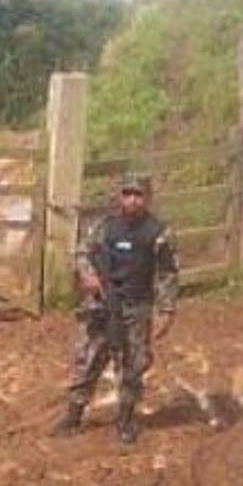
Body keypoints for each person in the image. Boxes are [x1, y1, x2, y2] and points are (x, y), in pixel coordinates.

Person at [51, 172, 179, 444]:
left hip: (137, 307)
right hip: (102, 304)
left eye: (138, 195)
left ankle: (125, 419)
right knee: (88, 359)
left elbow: (168, 272)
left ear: (148, 198)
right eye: (127, 193)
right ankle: (74, 414)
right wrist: (88, 276)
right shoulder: (105, 227)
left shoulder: (159, 233)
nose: (132, 200)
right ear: (120, 196)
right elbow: (82, 252)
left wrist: (166, 311)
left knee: (133, 365)